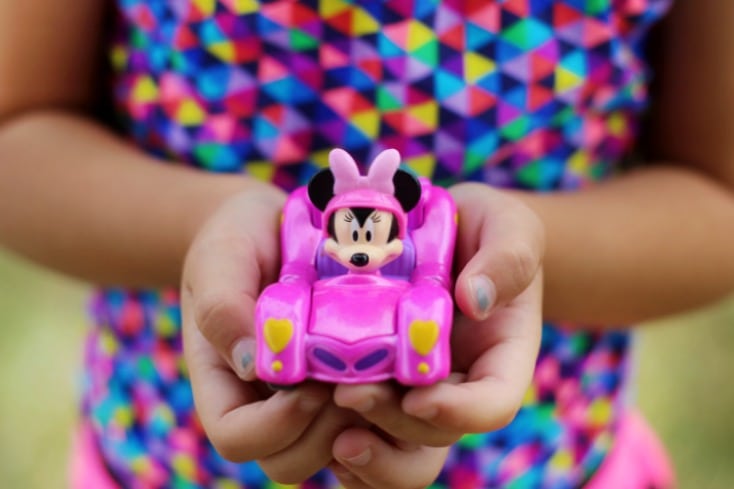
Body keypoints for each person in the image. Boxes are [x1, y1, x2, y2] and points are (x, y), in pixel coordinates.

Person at [0, 0, 733, 487]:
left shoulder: (421, 255)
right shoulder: (306, 246)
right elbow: (17, 130)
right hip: (167, 448)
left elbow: (716, 199)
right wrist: (211, 227)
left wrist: (487, 259)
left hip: (537, 455)